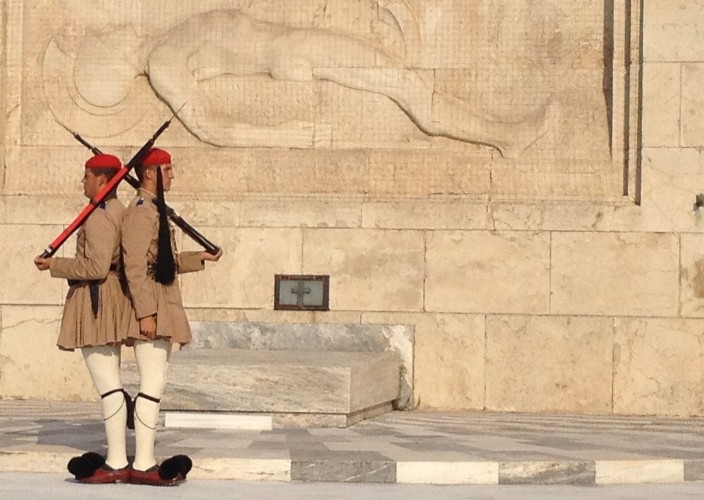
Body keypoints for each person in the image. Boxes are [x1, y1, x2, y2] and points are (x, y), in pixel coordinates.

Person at [66, 8, 553, 158]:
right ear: (112, 58)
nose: (108, 28)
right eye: (102, 39)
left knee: (401, 83)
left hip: (294, 47)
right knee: (405, 85)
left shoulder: (167, 45)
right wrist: (282, 136)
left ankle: (504, 136)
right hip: (294, 50)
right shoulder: (165, 62)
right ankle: (506, 137)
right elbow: (211, 128)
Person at [121, 147, 222, 486]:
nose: (173, 175)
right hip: (152, 304)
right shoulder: (139, 212)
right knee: (151, 383)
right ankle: (144, 461)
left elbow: (163, 260)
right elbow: (135, 268)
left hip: (162, 301)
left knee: (156, 383)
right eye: (167, 169)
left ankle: (144, 458)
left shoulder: (153, 209)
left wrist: (200, 258)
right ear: (149, 173)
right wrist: (145, 314)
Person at [33, 153, 135, 484]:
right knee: (111, 384)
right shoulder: (113, 210)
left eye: (87, 176)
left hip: (98, 301)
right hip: (106, 298)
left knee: (108, 387)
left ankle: (117, 460)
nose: (83, 181)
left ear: (103, 181)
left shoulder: (101, 216)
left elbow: (95, 267)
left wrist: (56, 266)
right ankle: (119, 453)